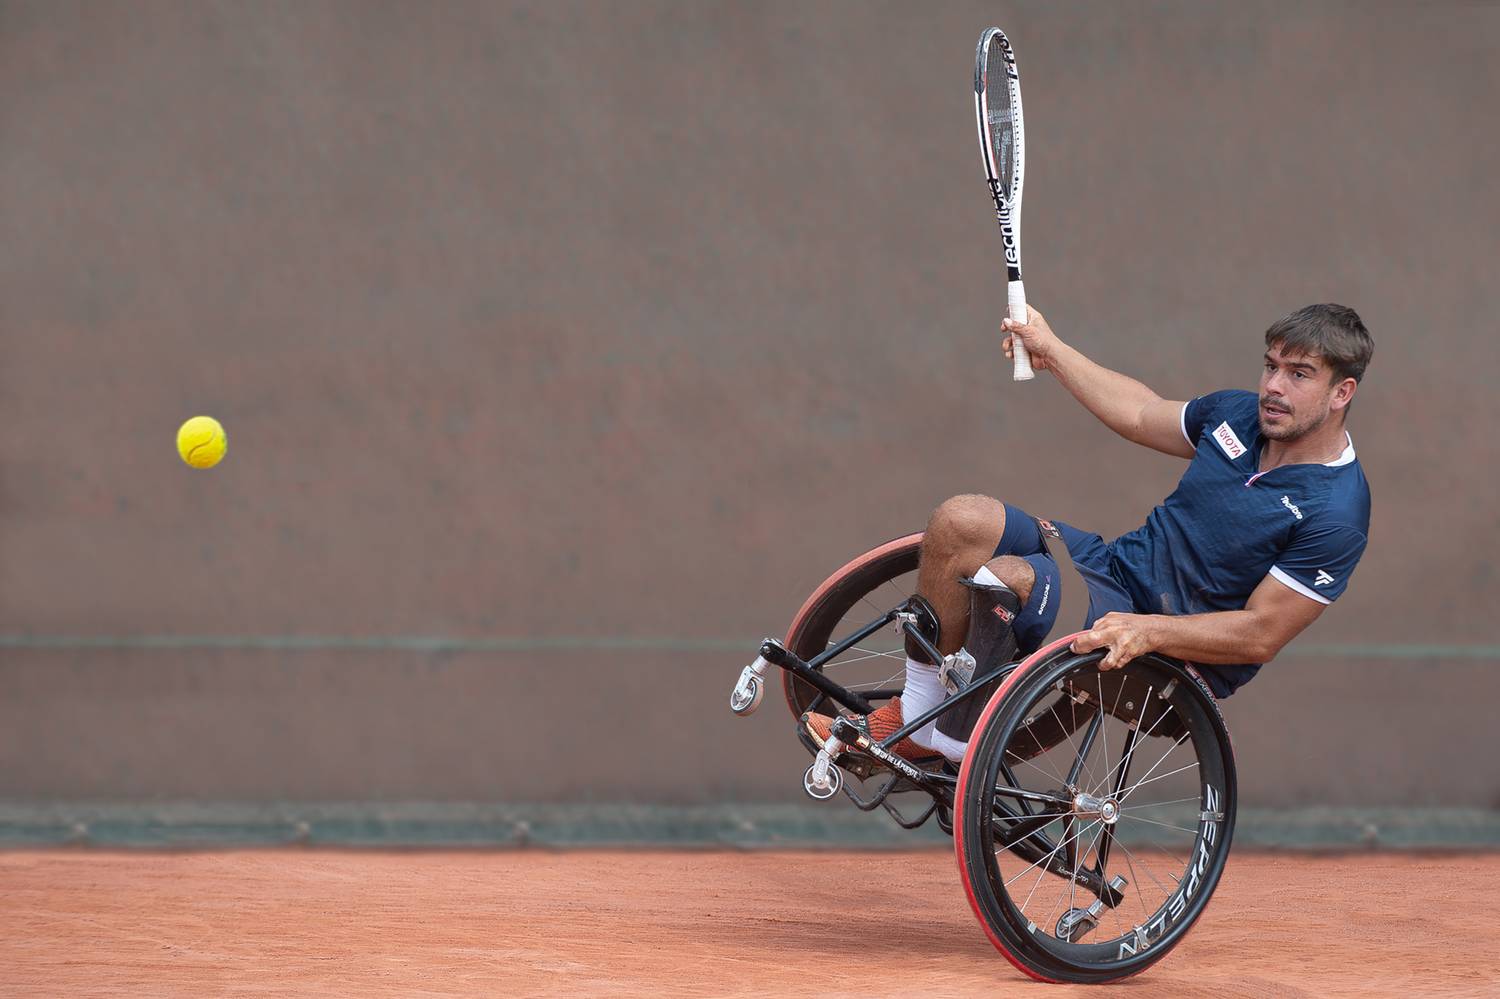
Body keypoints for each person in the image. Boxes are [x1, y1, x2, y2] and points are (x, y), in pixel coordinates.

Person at [806, 303, 1373, 763]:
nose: (1274, 386)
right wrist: (1052, 350)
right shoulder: (1237, 416)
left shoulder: (1337, 512)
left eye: (1299, 375)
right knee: (961, 519)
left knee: (1009, 579)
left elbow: (1261, 634)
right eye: (1271, 366)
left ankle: (950, 739)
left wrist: (1149, 630)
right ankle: (918, 715)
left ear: (1341, 393)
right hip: (1111, 573)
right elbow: (1140, 412)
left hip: (1169, 659)